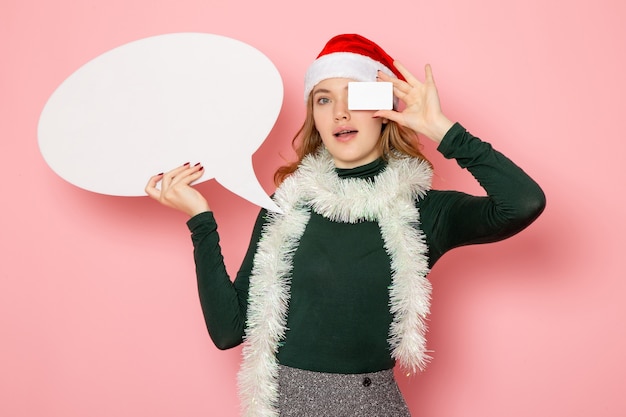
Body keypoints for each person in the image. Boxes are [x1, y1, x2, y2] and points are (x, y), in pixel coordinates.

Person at [145, 34, 545, 417]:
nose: (339, 112)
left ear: (384, 110)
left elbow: (523, 203)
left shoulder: (423, 211)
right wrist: (201, 221)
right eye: (324, 99)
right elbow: (229, 331)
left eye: (356, 96)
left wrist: (442, 130)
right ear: (315, 117)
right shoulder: (284, 209)